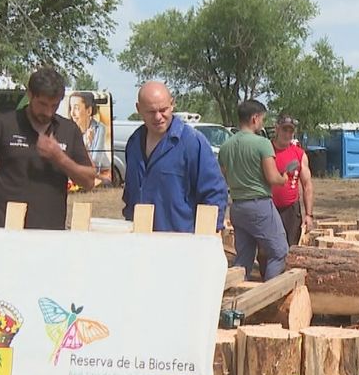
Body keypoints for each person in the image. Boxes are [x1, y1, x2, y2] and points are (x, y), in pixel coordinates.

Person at [0, 67, 96, 230]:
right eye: (42, 104)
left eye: (54, 105)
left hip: (50, 234)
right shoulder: (2, 126)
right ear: (30, 94)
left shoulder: (68, 130)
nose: (48, 112)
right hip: (5, 230)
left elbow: (89, 181)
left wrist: (59, 157)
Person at [122, 81, 228, 233]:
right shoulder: (134, 143)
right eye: (151, 111)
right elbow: (130, 194)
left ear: (172, 104)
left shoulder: (192, 142)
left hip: (182, 239)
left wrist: (207, 236)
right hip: (140, 238)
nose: (158, 117)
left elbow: (214, 193)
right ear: (139, 109)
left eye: (163, 110)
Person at [219, 99, 290, 281]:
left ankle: (236, 293)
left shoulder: (226, 147)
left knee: (243, 257)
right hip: (259, 205)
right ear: (254, 118)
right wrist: (283, 178)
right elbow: (272, 177)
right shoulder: (262, 143)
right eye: (262, 119)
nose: (262, 123)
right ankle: (270, 294)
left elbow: (222, 177)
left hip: (237, 206)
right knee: (279, 251)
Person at [269, 114, 314, 246]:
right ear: (277, 128)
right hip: (269, 207)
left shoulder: (299, 154)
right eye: (284, 130)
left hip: (291, 209)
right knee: (268, 249)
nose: (287, 134)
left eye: (291, 131)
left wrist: (309, 215)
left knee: (291, 247)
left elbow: (307, 186)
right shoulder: (266, 150)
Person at [68, 91, 108, 181]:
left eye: (76, 108)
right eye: (71, 108)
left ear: (89, 111)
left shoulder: (99, 128)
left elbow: (95, 162)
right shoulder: (70, 129)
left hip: (101, 173)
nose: (72, 113)